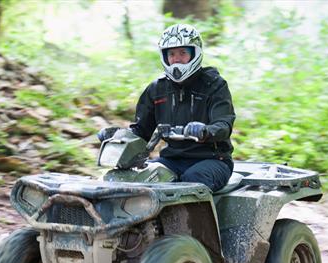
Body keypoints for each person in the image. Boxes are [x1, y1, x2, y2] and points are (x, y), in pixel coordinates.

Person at [99, 23, 235, 192]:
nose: (176, 59)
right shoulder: (157, 89)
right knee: (134, 180)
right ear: (164, 56)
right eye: (171, 53)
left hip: (213, 160)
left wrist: (205, 131)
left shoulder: (214, 85)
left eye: (183, 53)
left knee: (192, 182)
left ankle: (192, 219)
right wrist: (116, 135)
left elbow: (223, 124)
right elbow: (141, 132)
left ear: (195, 53)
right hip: (172, 160)